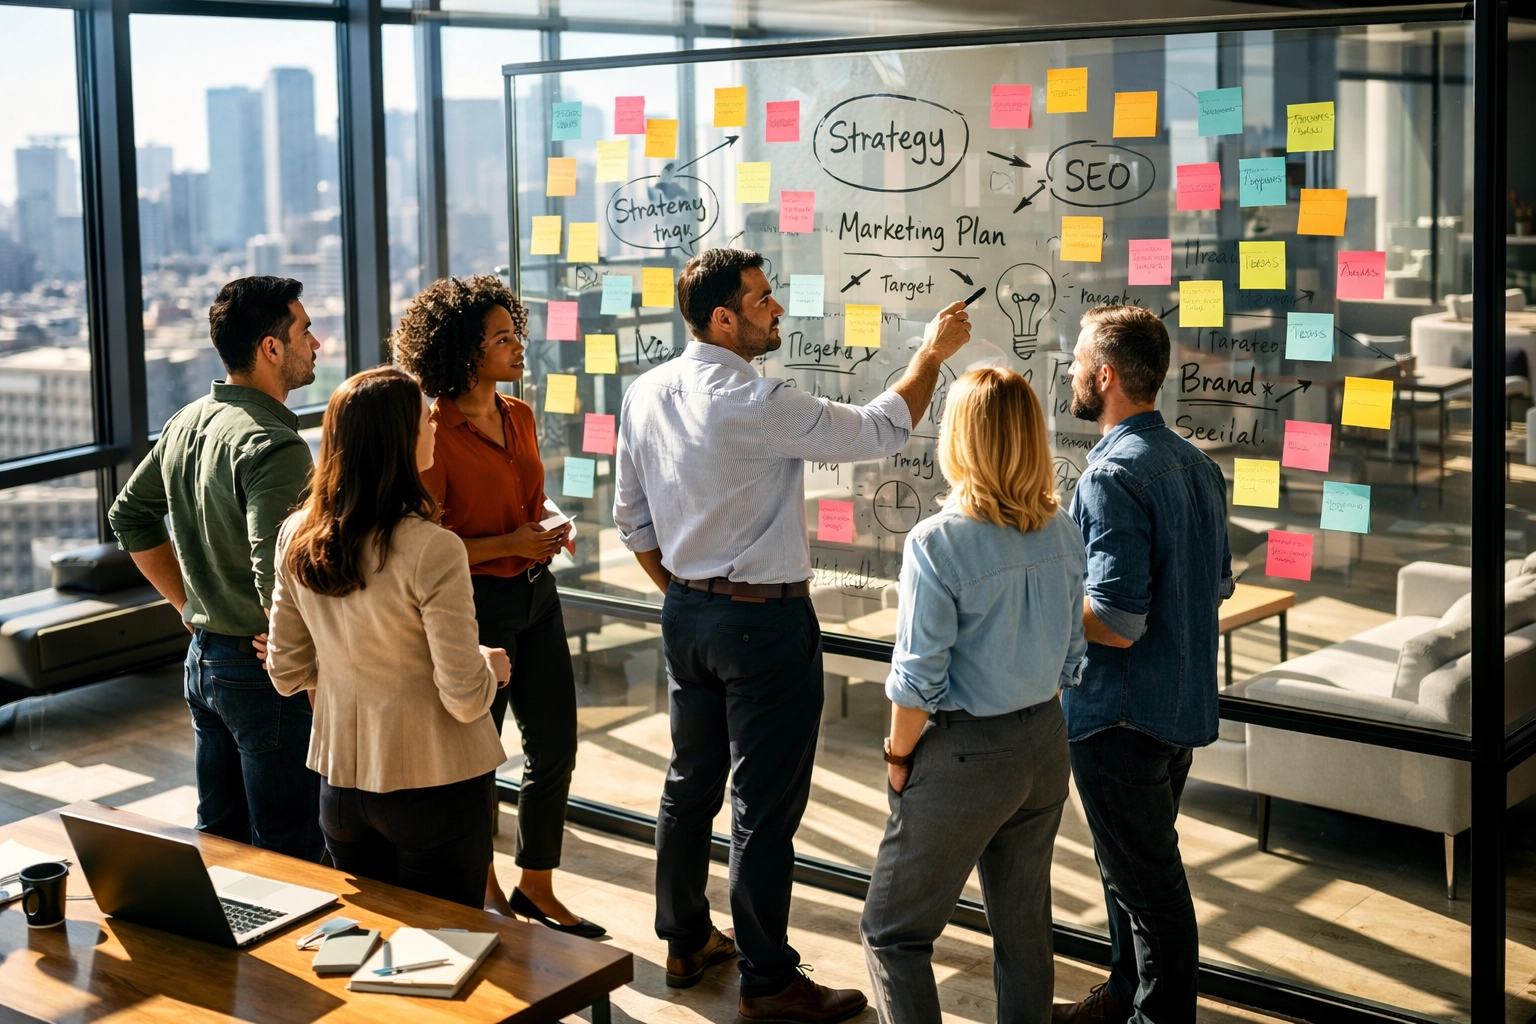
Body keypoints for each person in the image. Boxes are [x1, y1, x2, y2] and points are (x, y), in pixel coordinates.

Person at [613, 246, 972, 1023]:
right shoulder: (759, 400)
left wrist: (686, 596)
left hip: (688, 615)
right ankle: (770, 982)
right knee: (764, 807)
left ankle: (682, 940)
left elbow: (631, 521)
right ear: (723, 318)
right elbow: (883, 429)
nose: (777, 309)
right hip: (762, 623)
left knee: (689, 783)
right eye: (763, 299)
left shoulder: (644, 393)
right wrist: (931, 356)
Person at [861, 367, 1085, 1024]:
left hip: (966, 756)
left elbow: (918, 676)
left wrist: (899, 756)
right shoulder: (1063, 530)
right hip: (1045, 743)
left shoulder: (937, 542)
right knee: (1023, 933)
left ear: (959, 438)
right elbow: (1074, 653)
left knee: (893, 932)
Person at [391, 276, 601, 937]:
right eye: (502, 337)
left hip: (538, 596)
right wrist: (511, 540)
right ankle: (484, 893)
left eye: (517, 332)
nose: (518, 346)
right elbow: (427, 545)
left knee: (556, 746)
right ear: (463, 350)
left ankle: (535, 883)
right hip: (474, 606)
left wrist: (548, 524)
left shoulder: (520, 415)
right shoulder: (431, 431)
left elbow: (526, 500)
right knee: (480, 757)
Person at [266, 367, 513, 907]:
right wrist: (489, 666)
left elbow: (285, 672)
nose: (434, 425)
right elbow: (465, 696)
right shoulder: (432, 547)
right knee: (444, 959)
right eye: (425, 418)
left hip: (340, 788)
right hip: (434, 785)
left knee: (371, 950)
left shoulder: (295, 534)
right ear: (399, 440)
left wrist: (342, 668)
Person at [1050, 306, 1233, 1024]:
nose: (1068, 372)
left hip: (1117, 715)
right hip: (1176, 706)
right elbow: (1213, 586)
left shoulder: (1111, 476)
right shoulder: (1198, 465)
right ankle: (1123, 994)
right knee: (1128, 870)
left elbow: (1118, 623)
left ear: (1106, 376)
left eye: (1076, 363)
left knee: (1151, 887)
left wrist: (1046, 612)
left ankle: (1155, 1015)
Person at [108, 276, 324, 861]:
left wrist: (186, 605)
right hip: (261, 674)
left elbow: (129, 517)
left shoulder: (187, 421)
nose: (318, 342)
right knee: (292, 855)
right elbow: (274, 574)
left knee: (221, 845)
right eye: (305, 330)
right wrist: (298, 659)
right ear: (271, 348)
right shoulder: (275, 445)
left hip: (203, 661)